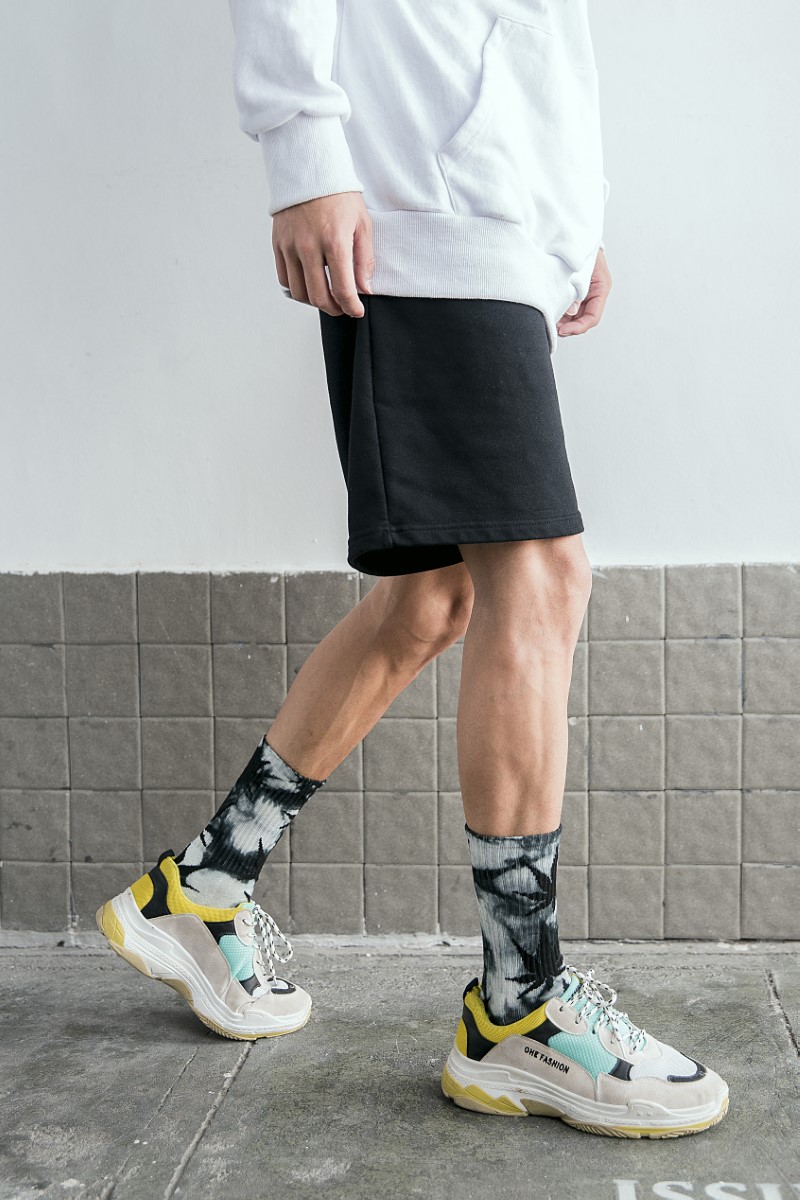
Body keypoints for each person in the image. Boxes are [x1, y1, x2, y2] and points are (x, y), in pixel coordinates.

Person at [96, 0, 729, 1137]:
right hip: (422, 206)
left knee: (436, 597)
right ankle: (520, 1006)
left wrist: (561, 218)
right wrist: (302, 147)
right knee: (542, 573)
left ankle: (207, 885)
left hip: (490, 216)